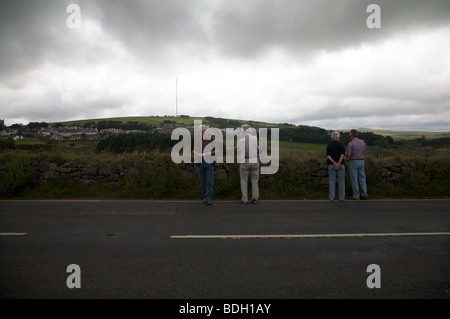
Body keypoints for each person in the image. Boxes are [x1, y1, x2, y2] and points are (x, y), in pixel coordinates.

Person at [236, 124, 259, 205]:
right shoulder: (255, 138)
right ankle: (255, 198)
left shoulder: (241, 140)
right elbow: (258, 150)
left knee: (244, 181)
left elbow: (237, 150)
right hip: (254, 160)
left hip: (244, 161)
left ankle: (245, 199)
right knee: (254, 181)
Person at [192, 125, 215, 205]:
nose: (199, 132)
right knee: (202, 182)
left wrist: (210, 153)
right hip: (200, 163)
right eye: (199, 131)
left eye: (200, 131)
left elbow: (217, 150)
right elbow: (193, 150)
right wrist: (197, 154)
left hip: (209, 163)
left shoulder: (211, 139)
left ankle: (209, 199)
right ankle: (204, 197)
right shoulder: (197, 140)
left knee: (210, 181)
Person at [346, 129, 368, 200]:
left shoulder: (351, 144)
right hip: (361, 161)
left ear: (351, 135)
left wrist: (346, 155)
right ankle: (364, 194)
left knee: (354, 179)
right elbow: (365, 151)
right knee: (362, 178)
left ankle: (356, 195)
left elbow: (349, 154)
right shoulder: (363, 142)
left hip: (354, 161)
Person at [326, 132, 346, 201]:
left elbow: (328, 155)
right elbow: (342, 155)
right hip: (341, 164)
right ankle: (341, 197)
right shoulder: (341, 145)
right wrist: (338, 163)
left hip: (331, 164)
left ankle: (331, 197)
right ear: (337, 137)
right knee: (341, 181)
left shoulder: (329, 145)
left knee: (332, 181)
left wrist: (334, 162)